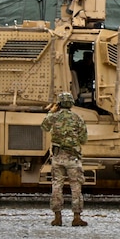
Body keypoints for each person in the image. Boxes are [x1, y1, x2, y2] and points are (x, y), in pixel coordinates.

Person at [41, 92, 89, 227]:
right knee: (76, 187)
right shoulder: (77, 118)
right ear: (72, 104)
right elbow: (84, 139)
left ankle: (57, 218)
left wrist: (51, 112)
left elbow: (44, 126)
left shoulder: (54, 117)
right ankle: (77, 218)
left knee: (56, 186)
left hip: (57, 157)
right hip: (73, 158)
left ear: (59, 104)